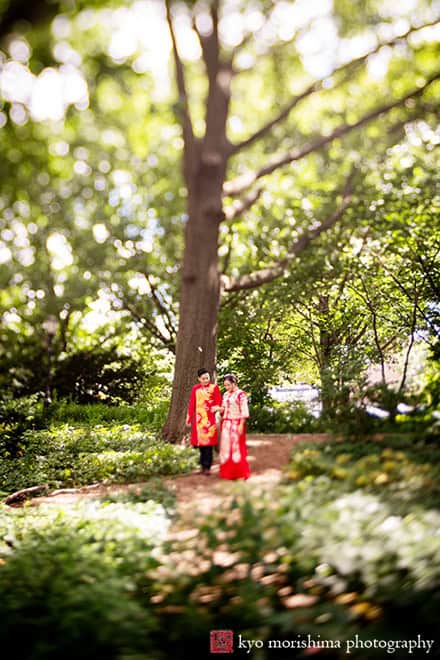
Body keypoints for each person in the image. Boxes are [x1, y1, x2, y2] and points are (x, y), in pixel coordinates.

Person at [186, 368, 222, 476]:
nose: (206, 380)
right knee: (200, 445)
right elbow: (192, 404)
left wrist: (216, 409)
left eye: (207, 378)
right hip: (198, 421)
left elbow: (219, 401)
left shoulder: (214, 388)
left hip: (210, 420)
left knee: (209, 445)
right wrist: (188, 418)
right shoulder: (195, 389)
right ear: (199, 379)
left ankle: (208, 467)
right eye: (203, 378)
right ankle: (202, 466)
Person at [218, 374, 251, 480]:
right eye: (225, 385)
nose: (226, 387)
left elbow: (244, 409)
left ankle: (240, 473)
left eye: (228, 385)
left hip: (237, 423)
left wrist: (241, 424)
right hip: (226, 423)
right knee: (225, 447)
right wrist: (218, 409)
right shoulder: (225, 394)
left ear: (234, 383)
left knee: (236, 447)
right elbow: (224, 408)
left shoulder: (241, 394)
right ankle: (227, 473)